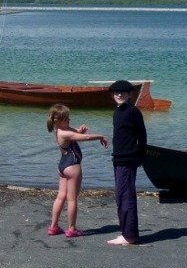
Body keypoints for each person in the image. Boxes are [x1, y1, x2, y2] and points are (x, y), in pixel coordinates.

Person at [46, 103, 109, 238]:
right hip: (72, 166)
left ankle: (53, 227)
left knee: (61, 196)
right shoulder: (66, 133)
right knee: (72, 199)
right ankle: (71, 229)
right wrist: (100, 136)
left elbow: (78, 133)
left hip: (62, 166)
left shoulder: (59, 130)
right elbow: (85, 138)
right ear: (60, 121)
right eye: (67, 119)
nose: (70, 120)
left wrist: (80, 130)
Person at [108, 79, 147, 245]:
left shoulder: (133, 111)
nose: (119, 95)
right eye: (116, 92)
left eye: (123, 92)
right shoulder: (118, 111)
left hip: (128, 159)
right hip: (118, 158)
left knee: (126, 197)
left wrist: (141, 157)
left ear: (130, 94)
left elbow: (142, 136)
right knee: (120, 197)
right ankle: (125, 232)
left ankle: (130, 236)